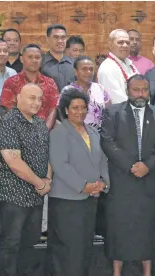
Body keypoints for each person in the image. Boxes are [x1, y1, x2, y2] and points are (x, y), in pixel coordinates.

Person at [100, 75, 155, 276]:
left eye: (144, 90)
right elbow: (107, 142)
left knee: (148, 229)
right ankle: (117, 272)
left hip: (149, 182)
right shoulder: (112, 113)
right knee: (118, 230)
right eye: (136, 90)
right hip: (122, 182)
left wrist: (147, 166)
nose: (140, 94)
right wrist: (131, 165)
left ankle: (147, 272)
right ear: (127, 90)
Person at [48, 88, 110, 276]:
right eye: (75, 107)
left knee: (84, 247)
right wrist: (83, 186)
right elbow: (60, 165)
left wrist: (103, 183)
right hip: (67, 201)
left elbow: (102, 160)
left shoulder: (93, 132)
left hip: (90, 200)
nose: (80, 111)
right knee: (68, 250)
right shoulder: (58, 132)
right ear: (66, 110)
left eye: (83, 107)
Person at [0, 83, 52, 276]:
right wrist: (40, 183)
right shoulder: (8, 122)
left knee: (29, 244)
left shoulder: (40, 123)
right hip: (13, 197)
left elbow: (47, 155)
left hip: (36, 197)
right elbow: (13, 161)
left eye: (40, 99)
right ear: (18, 97)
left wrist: (48, 180)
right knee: (11, 246)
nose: (36, 102)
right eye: (31, 97)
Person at [0, 44, 59, 129]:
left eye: (37, 57)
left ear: (41, 60)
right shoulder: (11, 82)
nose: (34, 60)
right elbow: (9, 109)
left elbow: (53, 109)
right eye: (30, 57)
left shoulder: (50, 83)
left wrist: (44, 132)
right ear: (22, 59)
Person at [61, 56, 111, 130]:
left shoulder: (100, 89)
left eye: (91, 69)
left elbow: (109, 113)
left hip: (100, 135)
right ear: (76, 72)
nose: (88, 72)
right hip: (75, 135)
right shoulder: (67, 91)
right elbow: (62, 115)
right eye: (84, 69)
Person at [98, 29, 139, 104]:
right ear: (110, 44)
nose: (125, 45)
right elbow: (117, 100)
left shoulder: (130, 65)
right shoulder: (107, 67)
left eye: (127, 43)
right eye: (120, 42)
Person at [41, 24, 75, 92]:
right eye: (56, 37)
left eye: (63, 37)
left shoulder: (74, 64)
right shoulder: (40, 63)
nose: (60, 41)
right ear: (48, 39)